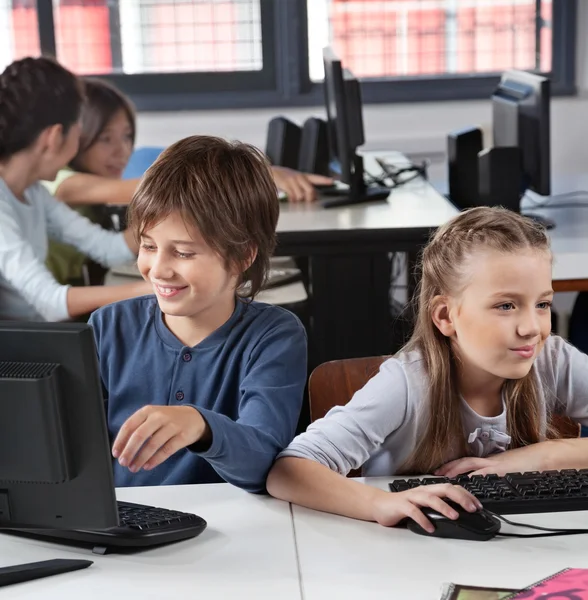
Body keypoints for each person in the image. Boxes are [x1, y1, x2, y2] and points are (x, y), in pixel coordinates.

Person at [267, 206, 588, 532]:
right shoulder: (407, 383)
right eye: (505, 306)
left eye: (542, 304)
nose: (532, 328)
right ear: (446, 316)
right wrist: (382, 503)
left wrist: (545, 456)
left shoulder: (551, 360)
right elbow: (289, 471)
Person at [88, 135, 308, 493]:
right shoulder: (108, 327)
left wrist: (201, 426)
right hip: (124, 527)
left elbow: (261, 462)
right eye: (148, 246)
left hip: (229, 529)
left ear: (242, 256)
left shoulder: (275, 336)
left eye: (184, 253)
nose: (158, 269)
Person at [0, 57, 151, 322]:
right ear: (54, 136)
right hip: (21, 352)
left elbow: (108, 248)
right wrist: (148, 290)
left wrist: (166, 228)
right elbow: (51, 302)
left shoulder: (33, 193)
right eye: (78, 131)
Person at [47, 78, 331, 207]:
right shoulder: (60, 181)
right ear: (77, 136)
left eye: (127, 136)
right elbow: (169, 183)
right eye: (105, 138)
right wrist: (258, 173)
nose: (122, 150)